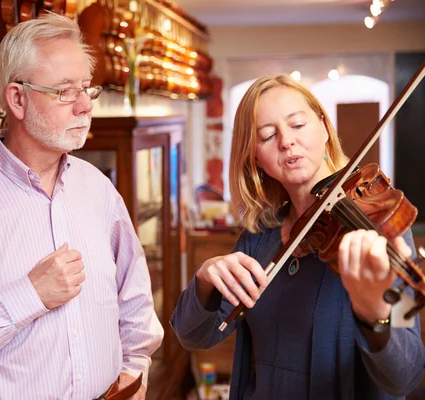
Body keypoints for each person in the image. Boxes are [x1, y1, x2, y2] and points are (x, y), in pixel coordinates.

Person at [0, 13, 163, 400]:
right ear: (18, 99)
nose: (85, 107)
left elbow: (134, 295)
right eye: (65, 91)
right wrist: (29, 295)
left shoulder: (99, 190)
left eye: (87, 90)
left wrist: (134, 369)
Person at [171, 75, 425, 400]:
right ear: (254, 158)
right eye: (267, 135)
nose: (286, 141)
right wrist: (205, 280)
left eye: (298, 124)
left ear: (324, 128)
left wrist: (375, 314)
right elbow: (193, 336)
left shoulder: (379, 230)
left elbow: (406, 374)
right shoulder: (258, 239)